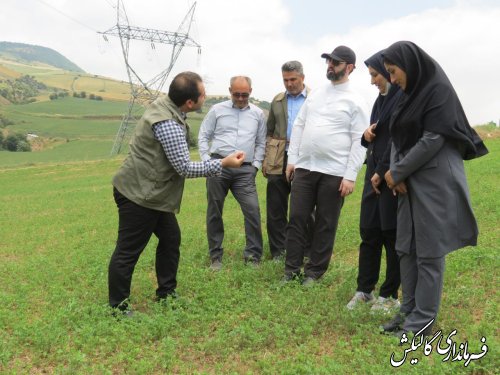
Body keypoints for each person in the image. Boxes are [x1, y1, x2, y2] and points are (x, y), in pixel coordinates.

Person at [108, 72, 245, 315]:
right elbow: (183, 167)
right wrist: (222, 164)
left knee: (171, 239)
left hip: (152, 194)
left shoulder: (167, 105)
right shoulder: (168, 124)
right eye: (203, 95)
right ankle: (117, 308)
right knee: (128, 251)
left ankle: (166, 293)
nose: (206, 97)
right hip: (140, 196)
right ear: (190, 103)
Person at [380, 41, 488, 337]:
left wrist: (397, 172)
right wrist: (395, 175)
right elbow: (396, 137)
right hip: (406, 183)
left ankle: (422, 321)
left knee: (428, 252)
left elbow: (433, 138)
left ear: (410, 64)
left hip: (433, 183)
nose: (392, 79)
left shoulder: (438, 91)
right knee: (406, 248)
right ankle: (408, 312)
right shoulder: (406, 95)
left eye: (393, 71)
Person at [284, 45, 370, 285]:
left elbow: (360, 140)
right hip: (305, 168)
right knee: (297, 218)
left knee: (325, 223)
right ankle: (291, 270)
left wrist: (350, 175)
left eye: (336, 62)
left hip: (334, 172)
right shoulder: (317, 93)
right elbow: (300, 125)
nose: (330, 65)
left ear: (349, 67)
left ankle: (314, 272)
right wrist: (292, 160)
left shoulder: (356, 100)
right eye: (329, 61)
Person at [346, 50, 403, 311]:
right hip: (374, 175)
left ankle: (389, 295)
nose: (373, 81)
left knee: (391, 235)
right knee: (369, 232)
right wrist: (365, 136)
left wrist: (383, 170)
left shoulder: (402, 98)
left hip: (390, 175)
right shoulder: (380, 100)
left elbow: (397, 139)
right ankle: (364, 290)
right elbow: (377, 134)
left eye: (375, 75)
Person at [198, 76, 266, 270]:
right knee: (214, 211)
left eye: (245, 94)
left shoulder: (258, 114)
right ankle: (216, 257)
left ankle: (253, 257)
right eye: (237, 94)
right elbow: (203, 135)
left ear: (250, 92)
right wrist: (206, 161)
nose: (241, 98)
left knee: (252, 210)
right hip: (218, 165)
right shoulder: (217, 110)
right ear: (230, 91)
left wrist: (256, 166)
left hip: (245, 169)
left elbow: (261, 142)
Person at [262, 61, 314, 261]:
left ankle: (307, 251)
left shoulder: (315, 98)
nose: (289, 84)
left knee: (306, 207)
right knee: (276, 206)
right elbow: (269, 131)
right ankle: (278, 251)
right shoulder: (277, 100)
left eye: (293, 79)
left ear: (302, 77)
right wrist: (267, 158)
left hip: (304, 155)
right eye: (285, 80)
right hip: (279, 155)